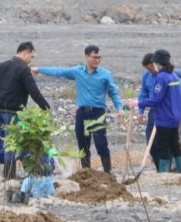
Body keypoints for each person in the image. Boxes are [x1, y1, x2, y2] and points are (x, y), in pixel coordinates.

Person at [34, 45, 122, 173]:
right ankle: (86, 172)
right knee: (83, 146)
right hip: (82, 113)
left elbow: (113, 93)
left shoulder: (106, 75)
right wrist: (39, 69)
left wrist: (119, 108)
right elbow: (59, 72)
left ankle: (108, 172)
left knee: (101, 144)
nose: (97, 60)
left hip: (98, 114)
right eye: (94, 57)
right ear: (86, 57)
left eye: (99, 57)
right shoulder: (78, 72)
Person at [0, 42, 50, 183]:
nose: (31, 60)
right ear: (26, 52)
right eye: (31, 56)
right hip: (12, 110)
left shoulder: (1, 66)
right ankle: (9, 175)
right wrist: (45, 107)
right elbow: (33, 91)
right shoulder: (23, 69)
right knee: (12, 141)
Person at [137, 49, 181, 173]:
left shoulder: (162, 77)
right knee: (174, 144)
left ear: (158, 63)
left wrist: (139, 103)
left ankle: (163, 172)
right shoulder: (173, 75)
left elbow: (156, 99)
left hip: (164, 116)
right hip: (175, 116)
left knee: (162, 145)